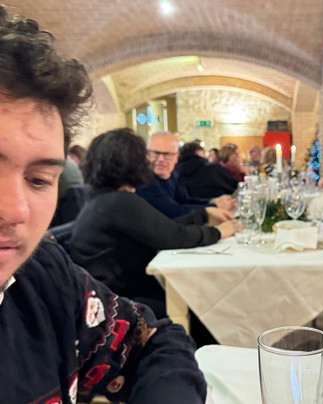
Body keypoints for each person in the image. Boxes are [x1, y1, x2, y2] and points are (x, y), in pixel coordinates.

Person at [0, 5, 207, 403]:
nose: (15, 211)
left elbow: (152, 340)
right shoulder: (118, 204)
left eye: (39, 180)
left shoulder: (44, 276)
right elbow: (175, 234)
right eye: (154, 155)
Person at [70, 128, 238, 318]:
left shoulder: (104, 198)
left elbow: (161, 227)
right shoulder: (119, 201)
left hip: (106, 295)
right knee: (201, 302)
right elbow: (175, 236)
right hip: (119, 303)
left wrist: (204, 214)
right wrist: (220, 232)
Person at [136, 132, 235, 218]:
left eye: (167, 154)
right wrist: (215, 207)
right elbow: (174, 211)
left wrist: (212, 201)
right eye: (155, 153)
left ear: (176, 157)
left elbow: (184, 200)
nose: (161, 159)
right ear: (146, 155)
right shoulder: (143, 180)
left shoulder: (169, 176)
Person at [175, 141, 239, 198]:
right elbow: (237, 186)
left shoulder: (175, 173)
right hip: (220, 205)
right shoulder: (213, 168)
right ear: (199, 152)